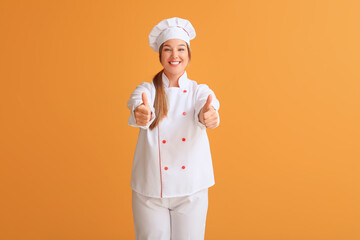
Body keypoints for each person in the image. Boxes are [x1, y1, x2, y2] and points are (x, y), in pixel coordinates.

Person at [127, 17, 220, 240]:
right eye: (167, 49)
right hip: (150, 189)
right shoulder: (147, 89)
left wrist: (209, 115)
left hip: (191, 189)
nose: (174, 55)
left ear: (188, 54)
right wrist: (141, 112)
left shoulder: (199, 90)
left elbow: (207, 106)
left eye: (180, 49)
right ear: (160, 55)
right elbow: (137, 103)